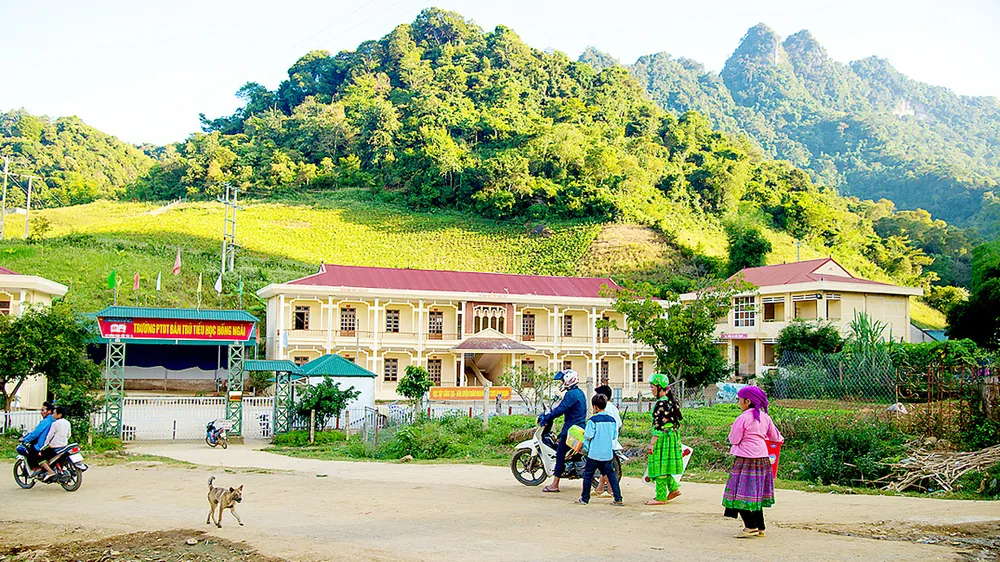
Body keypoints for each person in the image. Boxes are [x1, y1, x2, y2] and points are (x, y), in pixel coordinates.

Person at [723, 386, 784, 539]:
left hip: (745, 460)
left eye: (740, 400)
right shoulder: (765, 418)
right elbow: (776, 437)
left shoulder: (742, 418)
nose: (739, 403)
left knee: (739, 494)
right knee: (755, 494)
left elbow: (734, 439)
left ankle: (750, 526)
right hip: (763, 460)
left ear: (747, 401)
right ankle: (760, 527)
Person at [536, 369, 587, 493]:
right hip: (579, 427)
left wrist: (548, 417)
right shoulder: (579, 392)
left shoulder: (571, 394)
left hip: (571, 430)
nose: (562, 382)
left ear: (569, 380)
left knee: (560, 454)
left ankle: (555, 484)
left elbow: (561, 409)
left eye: (563, 380)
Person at [576, 394, 624, 506]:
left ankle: (584, 499)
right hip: (607, 454)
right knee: (612, 476)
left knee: (588, 475)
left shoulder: (593, 420)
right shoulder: (612, 421)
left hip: (594, 454)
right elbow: (613, 436)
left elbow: (588, 435)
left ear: (595, 407)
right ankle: (618, 498)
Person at [645, 373, 684, 505]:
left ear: (659, 387)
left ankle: (660, 497)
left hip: (662, 438)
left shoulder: (660, 404)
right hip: (672, 437)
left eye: (652, 387)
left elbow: (658, 426)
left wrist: (652, 444)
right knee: (665, 465)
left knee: (659, 466)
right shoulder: (671, 401)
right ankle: (673, 488)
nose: (651, 390)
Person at [593, 385, 622, 498]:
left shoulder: (606, 409)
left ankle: (611, 490)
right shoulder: (613, 408)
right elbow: (619, 424)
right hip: (611, 440)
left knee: (605, 467)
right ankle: (600, 488)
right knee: (604, 466)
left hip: (604, 442)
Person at [39, 406, 72, 481]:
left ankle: (50, 472)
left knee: (40, 457)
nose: (53, 415)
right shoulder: (67, 423)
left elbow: (49, 436)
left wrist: (44, 446)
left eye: (54, 413)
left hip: (54, 446)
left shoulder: (55, 424)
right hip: (64, 445)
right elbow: (69, 435)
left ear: (59, 415)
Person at [20, 401, 55, 474]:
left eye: (43, 410)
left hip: (43, 445)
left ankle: (36, 469)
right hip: (56, 443)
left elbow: (35, 434)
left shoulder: (46, 421)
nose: (41, 412)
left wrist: (25, 439)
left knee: (31, 451)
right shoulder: (55, 420)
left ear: (49, 411)